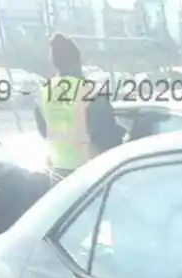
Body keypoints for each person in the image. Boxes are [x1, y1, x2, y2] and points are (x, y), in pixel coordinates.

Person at [35, 33, 121, 176]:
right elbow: (107, 138)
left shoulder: (43, 93)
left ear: (55, 63)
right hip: (91, 174)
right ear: (79, 60)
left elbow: (44, 132)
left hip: (57, 172)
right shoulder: (91, 92)